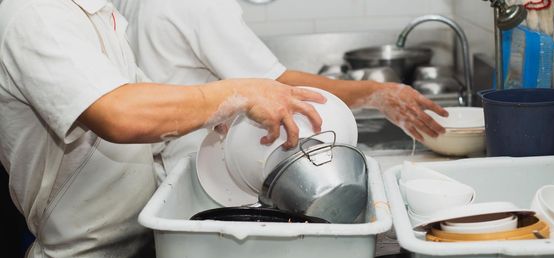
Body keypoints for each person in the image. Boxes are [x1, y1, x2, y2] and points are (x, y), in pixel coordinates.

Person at [0, 0, 326, 258]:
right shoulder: (36, 13)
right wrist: (237, 94)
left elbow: (143, 94)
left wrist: (213, 115)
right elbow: (119, 113)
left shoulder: (96, 12)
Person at [112, 0, 448, 179]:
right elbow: (276, 84)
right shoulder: (202, 5)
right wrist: (376, 94)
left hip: (167, 167)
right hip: (207, 172)